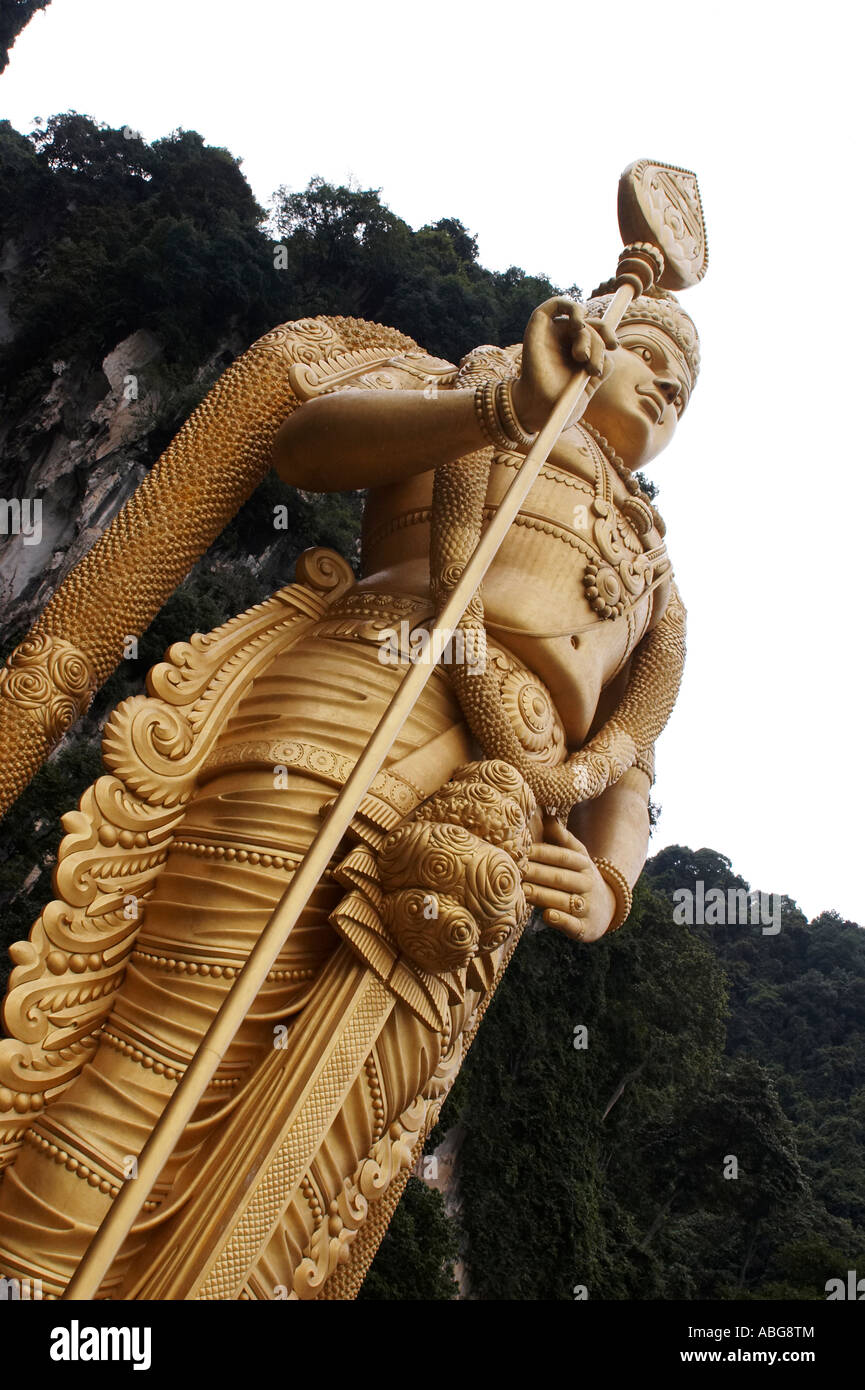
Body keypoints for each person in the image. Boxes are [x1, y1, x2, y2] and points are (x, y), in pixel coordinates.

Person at [0, 289, 698, 1298]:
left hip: (495, 841)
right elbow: (309, 442)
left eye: (688, 385)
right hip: (355, 716)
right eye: (651, 347)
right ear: (588, 328)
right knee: (170, 1053)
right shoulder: (472, 387)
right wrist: (500, 410)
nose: (672, 381)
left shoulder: (658, 588)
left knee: (311, 1158)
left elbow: (628, 765)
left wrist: (608, 881)